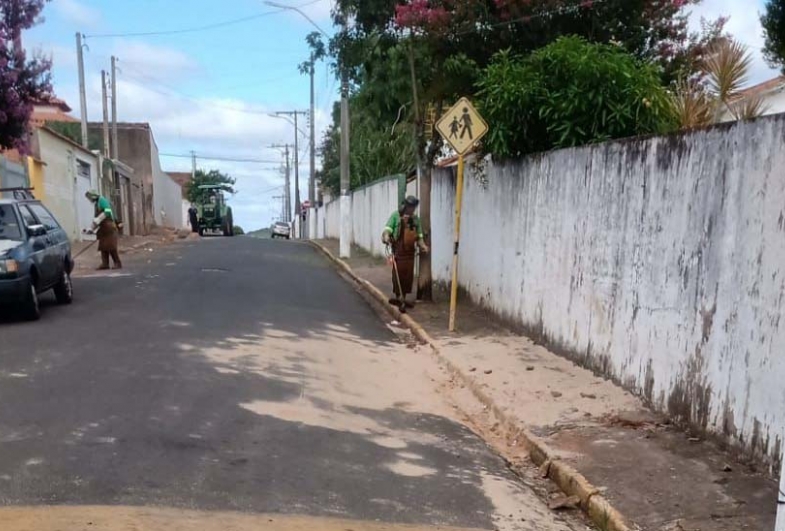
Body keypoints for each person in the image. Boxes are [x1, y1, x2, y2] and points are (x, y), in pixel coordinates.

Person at [382, 196, 428, 312]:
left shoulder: (415, 219)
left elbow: (419, 236)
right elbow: (387, 230)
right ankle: (399, 297)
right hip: (398, 252)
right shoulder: (396, 216)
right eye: (410, 207)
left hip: (410, 253)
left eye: (414, 208)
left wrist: (423, 246)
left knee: (408, 277)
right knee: (398, 275)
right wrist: (387, 237)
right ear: (406, 206)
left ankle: (404, 297)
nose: (412, 210)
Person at [85, 190, 122, 270]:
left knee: (111, 246)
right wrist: (91, 228)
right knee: (103, 246)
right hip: (103, 228)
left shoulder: (102, 200)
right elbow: (96, 220)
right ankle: (105, 264)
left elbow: (108, 211)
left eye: (90, 197)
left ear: (93, 196)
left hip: (109, 226)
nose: (89, 200)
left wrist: (99, 219)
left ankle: (117, 263)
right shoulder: (96, 204)